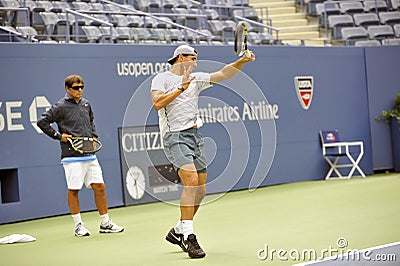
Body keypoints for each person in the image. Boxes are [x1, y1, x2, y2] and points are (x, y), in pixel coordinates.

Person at [151, 45, 255, 258]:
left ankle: (179, 230)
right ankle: (189, 237)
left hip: (195, 136)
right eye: (192, 58)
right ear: (180, 57)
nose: (196, 62)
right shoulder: (161, 79)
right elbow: (157, 103)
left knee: (201, 190)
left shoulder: (197, 78)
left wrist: (242, 61)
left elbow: (224, 73)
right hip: (175, 136)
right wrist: (181, 87)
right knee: (190, 181)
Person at [37, 74, 124, 237]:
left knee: (100, 187)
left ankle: (105, 223)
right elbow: (42, 122)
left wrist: (94, 136)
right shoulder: (60, 106)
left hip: (90, 155)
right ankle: (78, 226)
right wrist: (58, 136)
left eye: (82, 87)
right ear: (67, 89)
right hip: (71, 156)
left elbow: (91, 121)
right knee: (74, 189)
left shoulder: (86, 104)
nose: (80, 90)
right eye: (76, 88)